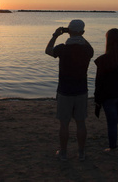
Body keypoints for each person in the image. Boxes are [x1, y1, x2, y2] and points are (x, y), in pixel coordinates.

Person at [45, 19, 94, 161]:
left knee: (64, 124)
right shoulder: (86, 50)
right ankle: (81, 153)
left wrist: (55, 35)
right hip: (81, 91)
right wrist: (79, 35)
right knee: (81, 123)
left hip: (65, 91)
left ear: (69, 31)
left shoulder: (62, 48)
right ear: (83, 32)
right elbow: (90, 48)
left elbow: (48, 51)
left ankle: (64, 153)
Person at [94, 28, 118, 151]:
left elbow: (99, 82)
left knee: (112, 122)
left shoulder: (103, 60)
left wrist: (97, 99)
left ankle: (112, 147)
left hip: (109, 97)